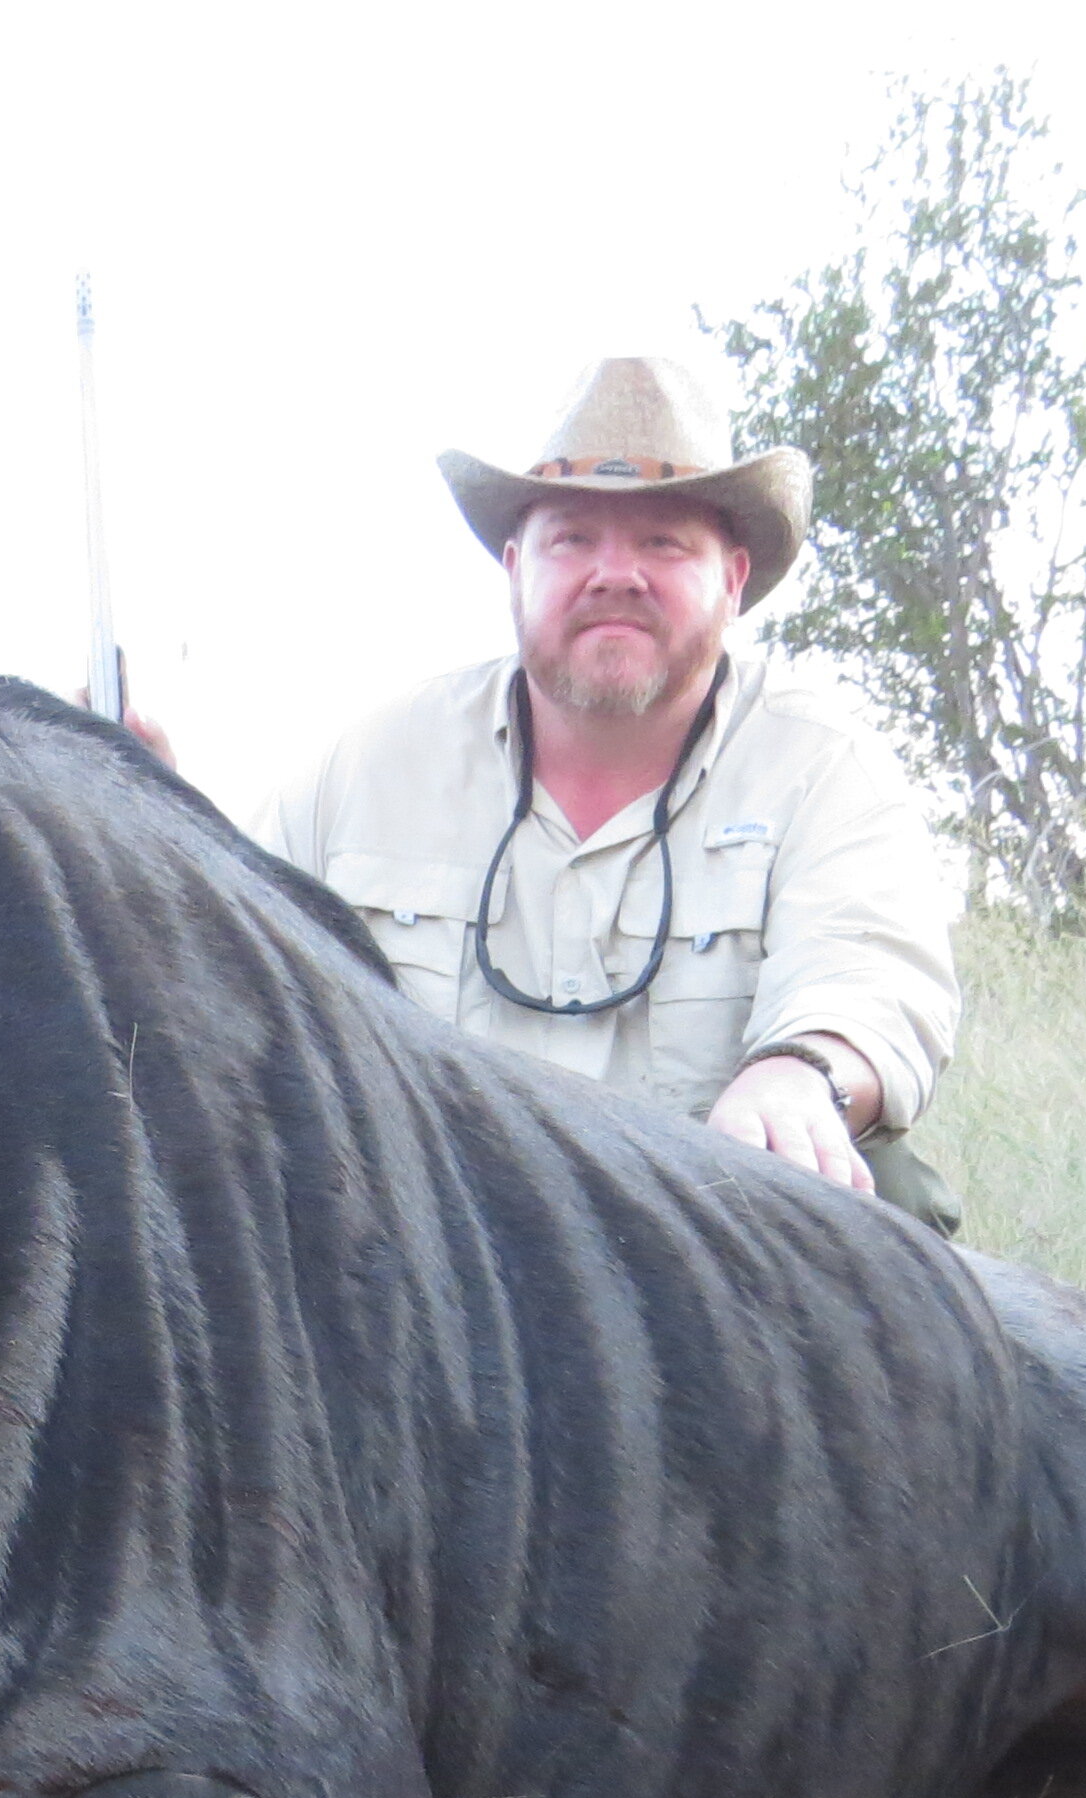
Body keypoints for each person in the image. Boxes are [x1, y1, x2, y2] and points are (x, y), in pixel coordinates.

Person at [262, 357, 961, 1226]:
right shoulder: (365, 764)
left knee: (882, 1190)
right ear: (515, 567)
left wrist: (802, 1073)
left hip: (709, 1248)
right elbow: (220, 940)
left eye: (663, 541)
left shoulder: (825, 765)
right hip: (432, 1251)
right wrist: (142, 797)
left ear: (733, 580)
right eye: (574, 539)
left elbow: (870, 974)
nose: (615, 574)